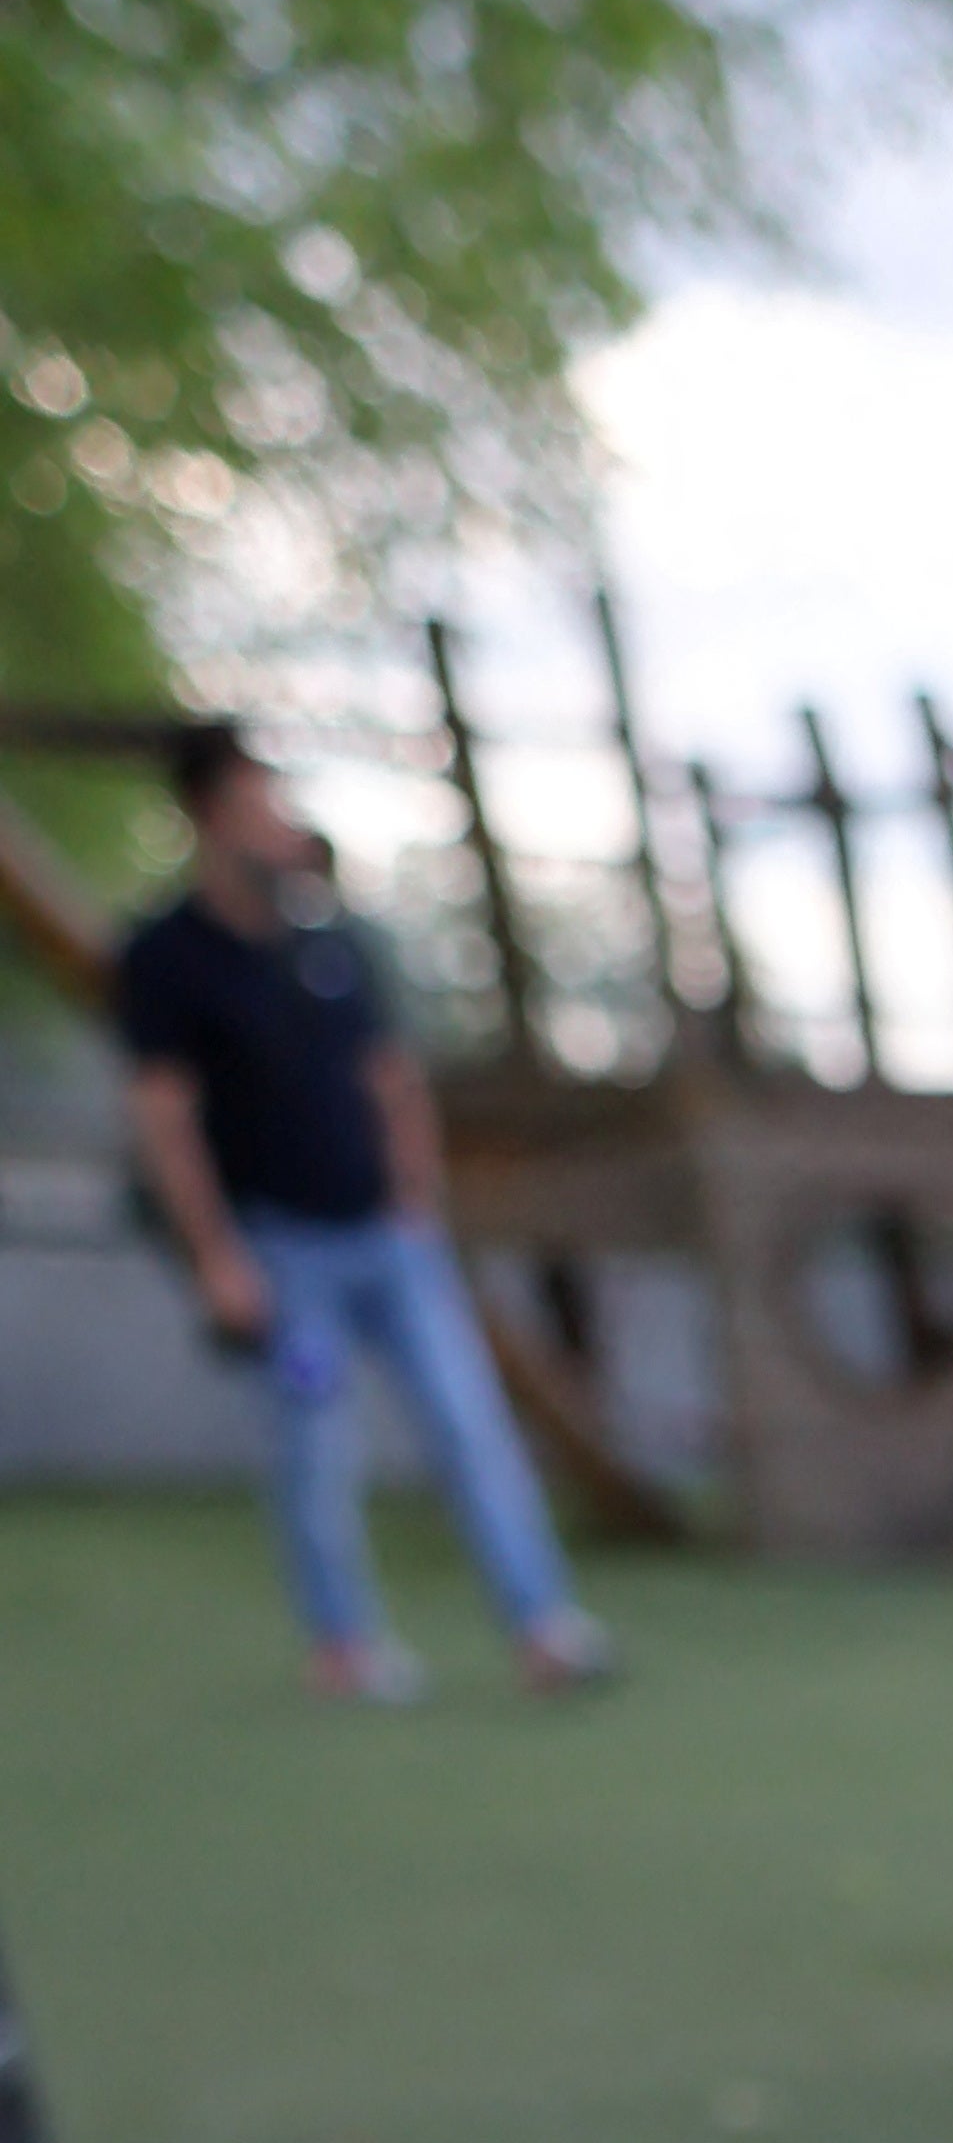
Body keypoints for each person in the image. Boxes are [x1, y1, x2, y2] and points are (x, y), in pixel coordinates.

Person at [114, 721, 613, 1702]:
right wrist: (216, 1257)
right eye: (260, 798)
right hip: (281, 1251)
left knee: (473, 1428)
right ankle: (343, 1646)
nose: (282, 818)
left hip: (391, 1244)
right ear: (212, 814)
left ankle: (542, 1625)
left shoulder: (332, 945)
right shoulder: (167, 957)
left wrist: (414, 1199)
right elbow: (163, 1121)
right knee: (314, 1444)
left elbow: (391, 1079)